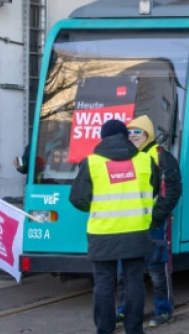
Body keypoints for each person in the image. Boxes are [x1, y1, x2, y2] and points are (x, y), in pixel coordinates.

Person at [69, 119, 159, 334]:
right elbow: (155, 190)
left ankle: (104, 329)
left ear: (103, 137)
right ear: (125, 136)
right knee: (134, 283)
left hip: (103, 233)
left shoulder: (91, 163)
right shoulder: (145, 161)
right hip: (136, 231)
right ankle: (134, 330)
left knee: (103, 283)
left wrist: (99, 207)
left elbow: (77, 199)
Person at [118, 115, 182, 328]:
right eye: (130, 132)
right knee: (126, 269)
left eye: (138, 131)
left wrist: (155, 218)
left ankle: (164, 310)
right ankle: (124, 309)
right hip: (129, 223)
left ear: (148, 134)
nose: (133, 135)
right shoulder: (126, 156)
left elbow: (172, 191)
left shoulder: (162, 157)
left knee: (156, 268)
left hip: (153, 224)